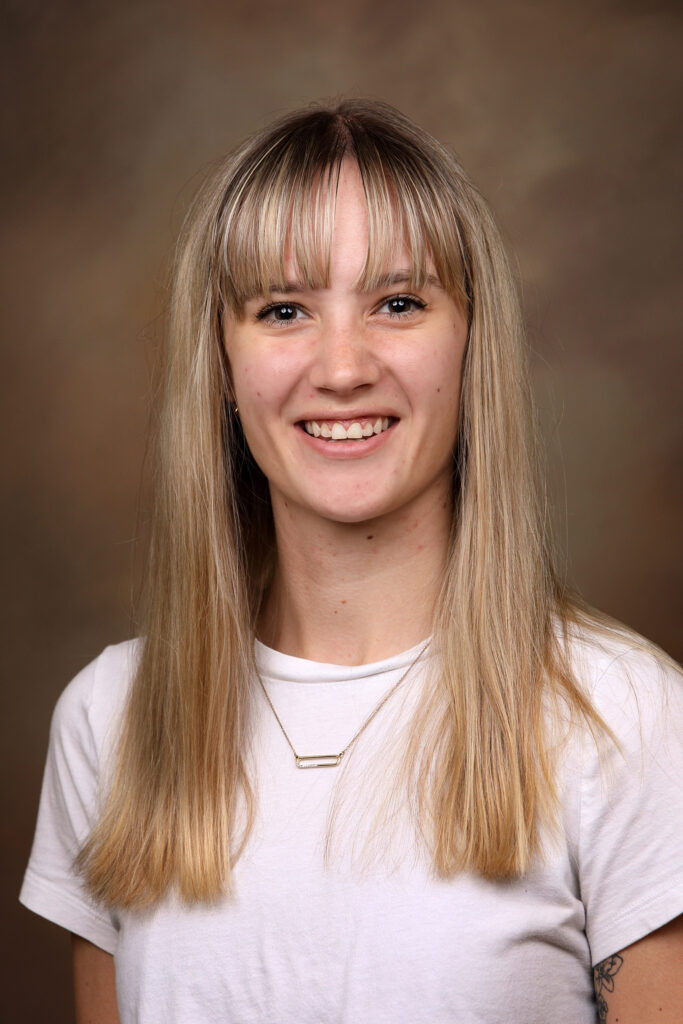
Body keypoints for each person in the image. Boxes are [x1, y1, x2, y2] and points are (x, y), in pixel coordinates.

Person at [20, 99, 682, 1024]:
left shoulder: (625, 716)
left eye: (398, 303)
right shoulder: (112, 718)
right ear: (221, 361)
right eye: (282, 309)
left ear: (471, 342)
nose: (341, 368)